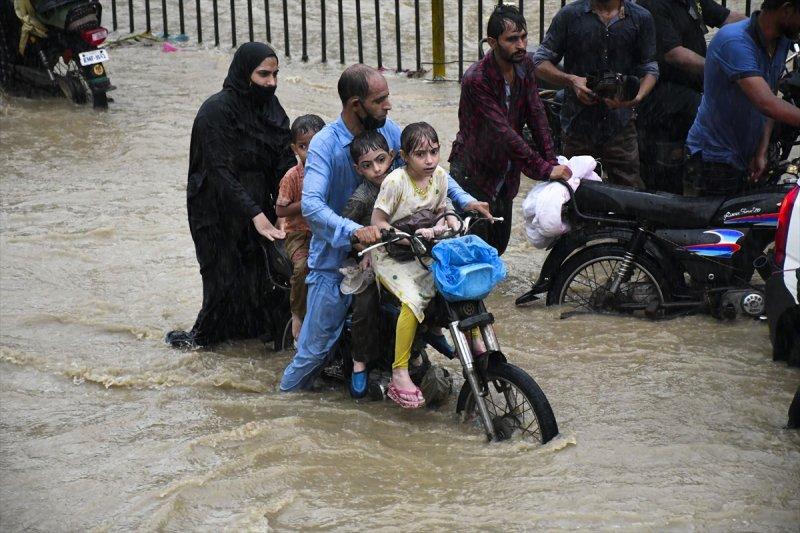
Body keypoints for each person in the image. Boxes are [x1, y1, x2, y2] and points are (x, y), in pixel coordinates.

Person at [279, 64, 491, 392]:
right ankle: (284, 404)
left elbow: (427, 170)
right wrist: (353, 229)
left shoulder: (390, 131)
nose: (388, 106)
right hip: (337, 260)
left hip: (396, 250)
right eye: (380, 100)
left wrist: (466, 200)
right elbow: (312, 206)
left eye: (387, 98)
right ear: (355, 105)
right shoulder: (324, 145)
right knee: (313, 354)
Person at [166, 42, 295, 349]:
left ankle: (250, 341)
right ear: (243, 72)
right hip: (216, 211)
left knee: (261, 279)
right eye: (263, 74)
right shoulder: (216, 112)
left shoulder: (272, 110)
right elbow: (219, 171)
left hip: (262, 208)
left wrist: (283, 207)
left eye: (275, 75)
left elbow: (284, 160)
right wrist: (255, 214)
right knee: (222, 280)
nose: (271, 83)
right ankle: (205, 344)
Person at [450, 4, 570, 256]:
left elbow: (536, 114)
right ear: (493, 42)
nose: (521, 45)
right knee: (473, 252)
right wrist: (544, 169)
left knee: (498, 248)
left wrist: (551, 161)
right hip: (474, 174)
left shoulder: (524, 64)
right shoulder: (476, 79)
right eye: (512, 39)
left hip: (505, 174)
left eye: (524, 37)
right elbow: (502, 133)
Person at [371, 123, 462, 408]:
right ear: (404, 156)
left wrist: (451, 218)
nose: (430, 160)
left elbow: (442, 207)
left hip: (426, 251)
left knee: (460, 285)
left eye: (434, 152)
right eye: (421, 154)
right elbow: (377, 222)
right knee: (413, 301)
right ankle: (399, 372)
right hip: (391, 257)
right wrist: (398, 235)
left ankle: (472, 344)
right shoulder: (395, 182)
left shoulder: (440, 177)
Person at [533, 0, 660, 190]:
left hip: (621, 125)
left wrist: (635, 98)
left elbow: (650, 68)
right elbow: (539, 62)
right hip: (578, 123)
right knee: (573, 192)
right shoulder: (570, 15)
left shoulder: (640, 18)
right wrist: (573, 80)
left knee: (628, 193)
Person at [685, 0, 800, 196]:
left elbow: (770, 92)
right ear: (787, 10)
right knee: (715, 225)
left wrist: (761, 150)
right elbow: (766, 103)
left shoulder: (781, 41)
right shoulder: (735, 41)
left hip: (745, 156)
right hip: (713, 160)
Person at [637, 0, 744, 192]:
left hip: (690, 89)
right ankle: (716, 182)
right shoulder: (653, 5)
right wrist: (722, 69)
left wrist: (763, 25)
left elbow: (728, 17)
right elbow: (674, 54)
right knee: (714, 116)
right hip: (663, 93)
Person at [341, 130, 395, 398]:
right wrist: (364, 248)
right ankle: (359, 362)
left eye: (381, 160)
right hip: (368, 261)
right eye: (367, 165)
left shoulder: (401, 182)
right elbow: (346, 234)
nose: (377, 169)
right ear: (357, 169)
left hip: (400, 255)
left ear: (392, 157)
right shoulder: (360, 198)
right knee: (366, 302)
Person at [275, 114, 326, 341]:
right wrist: (307, 204)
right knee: (302, 267)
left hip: (324, 230)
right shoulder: (292, 177)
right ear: (295, 148)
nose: (309, 151)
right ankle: (297, 313)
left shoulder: (330, 170)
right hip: (299, 233)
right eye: (303, 146)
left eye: (315, 145)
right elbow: (280, 211)